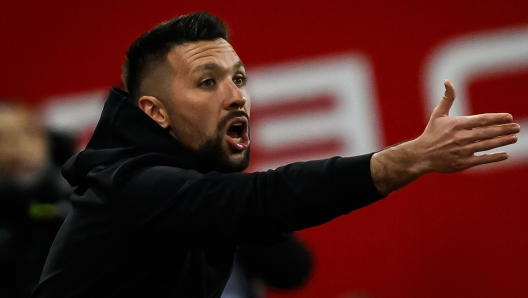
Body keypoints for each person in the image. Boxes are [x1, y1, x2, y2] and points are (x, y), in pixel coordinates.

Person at [31, 11, 520, 298]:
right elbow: (269, 197)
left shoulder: (191, 187)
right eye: (208, 82)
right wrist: (408, 158)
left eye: (238, 78)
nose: (237, 95)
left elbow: (276, 243)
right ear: (155, 112)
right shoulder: (134, 187)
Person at [0, 102, 72, 297]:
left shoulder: (80, 193)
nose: (12, 148)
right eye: (1, 138)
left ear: (42, 136)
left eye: (24, 133)